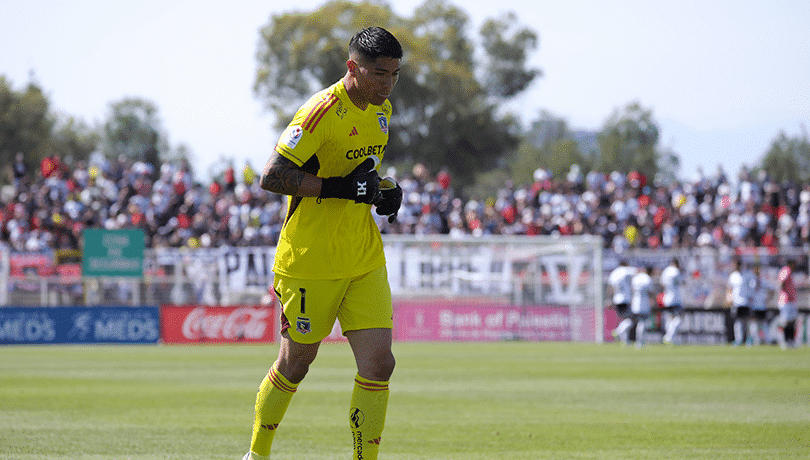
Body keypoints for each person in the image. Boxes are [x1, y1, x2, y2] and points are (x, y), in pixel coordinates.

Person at [244, 27, 404, 460]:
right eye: (378, 74)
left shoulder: (382, 109)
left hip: (363, 255)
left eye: (394, 75)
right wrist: (339, 189)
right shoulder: (319, 112)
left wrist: (385, 190)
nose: (386, 84)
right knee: (296, 364)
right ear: (352, 67)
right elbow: (272, 176)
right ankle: (257, 454)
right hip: (310, 260)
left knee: (379, 365)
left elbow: (363, 174)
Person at [608, 260, 637, 345]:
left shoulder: (614, 273)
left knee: (624, 320)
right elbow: (637, 271)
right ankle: (618, 331)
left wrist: (609, 299)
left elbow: (610, 287)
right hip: (625, 299)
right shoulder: (626, 270)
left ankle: (625, 341)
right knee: (631, 319)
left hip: (617, 299)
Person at [726, 258, 754, 346]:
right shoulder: (733, 276)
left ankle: (749, 340)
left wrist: (751, 297)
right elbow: (729, 288)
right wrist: (729, 299)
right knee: (738, 322)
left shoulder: (747, 275)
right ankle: (739, 340)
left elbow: (752, 286)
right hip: (736, 302)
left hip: (746, 302)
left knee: (747, 322)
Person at [659, 257, 685, 345]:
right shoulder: (676, 271)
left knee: (670, 318)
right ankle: (668, 337)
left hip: (667, 298)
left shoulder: (666, 271)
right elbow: (682, 282)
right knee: (679, 317)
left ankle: (669, 337)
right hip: (675, 298)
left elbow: (662, 283)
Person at [630, 265, 655, 348]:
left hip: (635, 301)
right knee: (642, 322)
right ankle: (640, 341)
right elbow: (650, 292)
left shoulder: (636, 277)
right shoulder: (647, 279)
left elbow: (632, 289)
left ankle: (637, 340)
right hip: (644, 302)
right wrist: (652, 301)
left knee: (634, 321)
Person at [775, 259, 798, 350]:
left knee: (791, 322)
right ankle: (783, 341)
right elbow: (781, 282)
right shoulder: (786, 270)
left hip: (791, 301)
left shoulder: (789, 271)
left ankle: (790, 341)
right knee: (785, 322)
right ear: (790, 263)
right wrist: (782, 292)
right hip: (786, 300)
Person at [749, 264, 773, 346]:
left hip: (762, 306)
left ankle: (767, 340)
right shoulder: (751, 282)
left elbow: (772, 289)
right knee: (754, 325)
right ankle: (756, 341)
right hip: (754, 306)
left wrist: (768, 298)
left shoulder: (762, 281)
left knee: (763, 324)